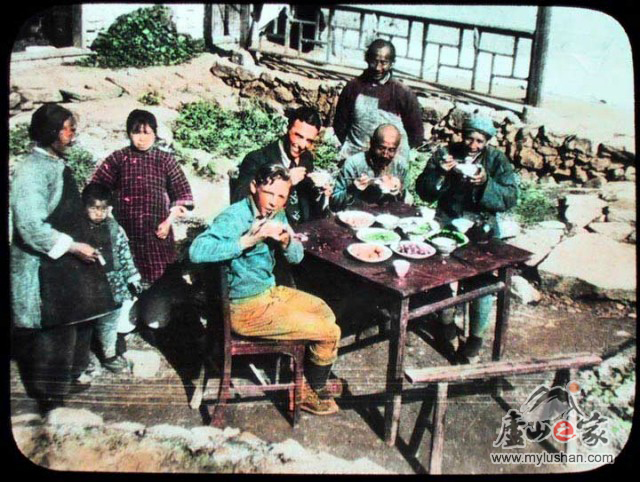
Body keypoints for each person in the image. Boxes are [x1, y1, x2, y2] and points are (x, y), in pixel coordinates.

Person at [190, 164, 342, 415]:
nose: (273, 202)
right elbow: (197, 251)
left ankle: (305, 381)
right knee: (329, 332)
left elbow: (296, 258)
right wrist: (248, 240)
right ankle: (308, 391)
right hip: (245, 308)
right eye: (269, 193)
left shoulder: (277, 214)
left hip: (269, 293)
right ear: (254, 187)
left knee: (324, 311)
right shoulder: (235, 217)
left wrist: (286, 241)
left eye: (281, 196)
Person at [11, 103, 119, 414]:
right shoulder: (31, 170)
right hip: (42, 264)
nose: (73, 136)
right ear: (51, 133)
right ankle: (50, 399)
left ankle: (68, 380)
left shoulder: (55, 163)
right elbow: (30, 226)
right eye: (68, 130)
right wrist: (72, 246)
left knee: (75, 320)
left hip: (63, 261)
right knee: (53, 330)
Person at [415, 114, 519, 363]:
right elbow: (423, 191)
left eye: (479, 141)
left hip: (482, 226)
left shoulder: (497, 160)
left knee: (481, 281)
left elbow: (510, 197)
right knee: (441, 273)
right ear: (462, 136)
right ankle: (446, 323)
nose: (473, 145)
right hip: (448, 221)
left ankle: (475, 338)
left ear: (487, 141)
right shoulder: (445, 154)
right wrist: (440, 173)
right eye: (469, 139)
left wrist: (485, 183)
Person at [91, 109, 194, 331]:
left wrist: (168, 221)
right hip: (126, 238)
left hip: (158, 237)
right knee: (123, 324)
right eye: (136, 132)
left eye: (147, 133)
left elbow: (183, 196)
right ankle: (127, 313)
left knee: (156, 321)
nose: (142, 138)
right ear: (128, 134)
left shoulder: (165, 160)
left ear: (155, 134)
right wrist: (111, 224)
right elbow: (96, 191)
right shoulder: (118, 159)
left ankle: (153, 310)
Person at [231, 106, 331, 227]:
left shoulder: (306, 158)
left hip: (302, 228)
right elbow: (239, 200)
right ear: (287, 128)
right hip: (272, 228)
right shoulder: (257, 159)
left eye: (309, 140)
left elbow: (307, 202)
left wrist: (321, 194)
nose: (302, 145)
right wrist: (286, 182)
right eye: (298, 136)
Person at [80, 183, 142, 373]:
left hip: (113, 285)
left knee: (109, 322)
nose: (99, 213)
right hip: (87, 285)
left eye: (104, 209)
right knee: (85, 324)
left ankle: (109, 354)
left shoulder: (115, 229)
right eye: (94, 208)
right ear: (83, 206)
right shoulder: (77, 229)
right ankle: (83, 357)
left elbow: (125, 255)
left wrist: (132, 277)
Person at [333, 38, 424, 164]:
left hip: (390, 162)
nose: (377, 68)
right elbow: (340, 124)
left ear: (392, 63)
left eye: (384, 63)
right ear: (367, 59)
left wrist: (394, 155)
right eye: (374, 61)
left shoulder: (402, 93)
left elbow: (416, 134)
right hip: (356, 157)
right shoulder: (353, 87)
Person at [330, 123, 407, 211]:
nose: (385, 154)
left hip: (386, 215)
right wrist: (353, 189)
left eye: (391, 150)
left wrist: (399, 190)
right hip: (356, 214)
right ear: (372, 143)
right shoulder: (353, 164)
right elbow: (334, 203)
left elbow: (403, 203)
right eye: (381, 148)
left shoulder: (399, 166)